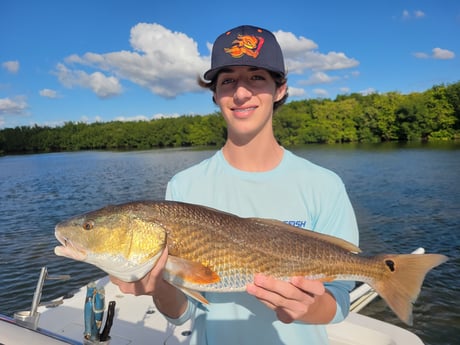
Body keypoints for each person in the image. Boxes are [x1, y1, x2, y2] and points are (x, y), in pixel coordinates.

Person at [112, 25, 359, 344]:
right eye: (228, 81)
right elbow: (184, 312)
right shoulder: (184, 186)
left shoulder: (324, 185)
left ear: (280, 89)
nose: (241, 93)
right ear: (215, 94)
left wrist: (307, 308)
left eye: (257, 77)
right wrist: (159, 285)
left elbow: (339, 302)